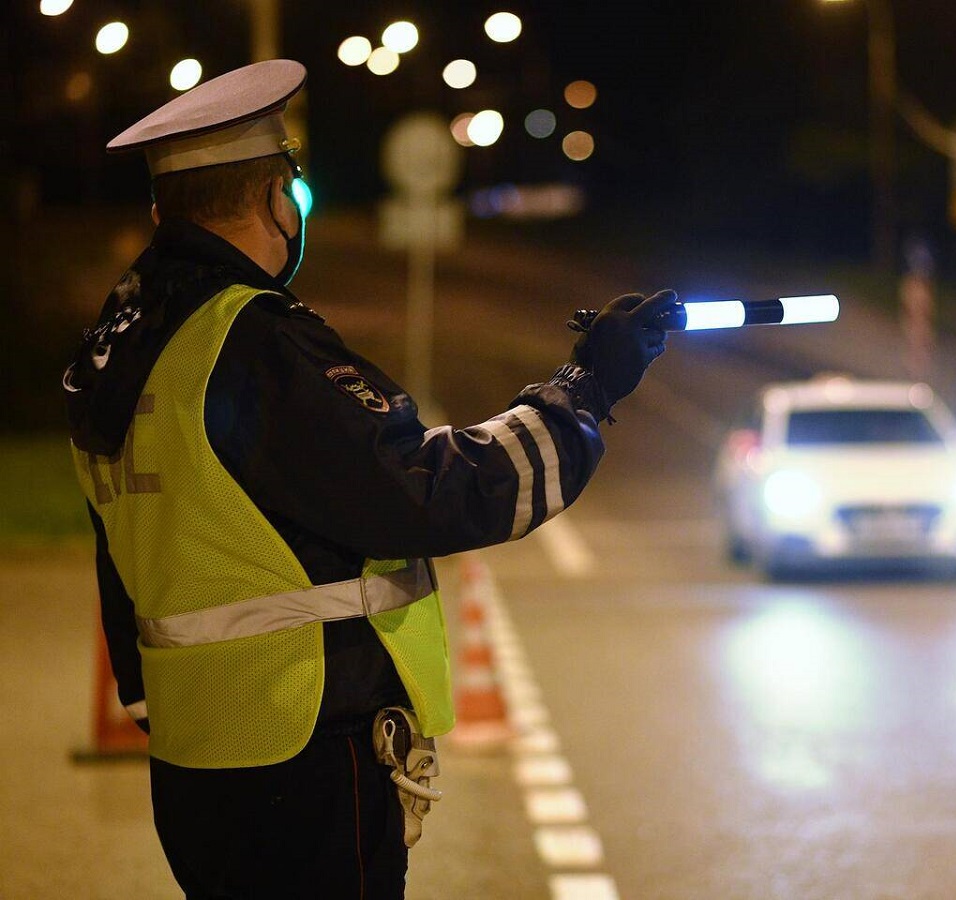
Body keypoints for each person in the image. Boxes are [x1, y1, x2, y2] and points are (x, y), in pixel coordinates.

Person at [63, 58, 674, 899]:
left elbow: (122, 554)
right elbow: (423, 489)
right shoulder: (252, 343)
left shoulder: (116, 347)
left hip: (195, 759)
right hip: (302, 750)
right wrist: (586, 389)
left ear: (164, 209)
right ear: (279, 198)